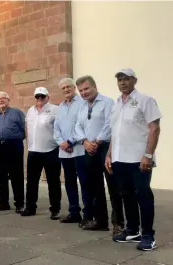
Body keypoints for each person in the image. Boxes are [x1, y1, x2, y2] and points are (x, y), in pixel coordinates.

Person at [106, 68, 162, 251]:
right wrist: (109, 154)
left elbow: (154, 128)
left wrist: (148, 155)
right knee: (126, 194)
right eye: (119, 79)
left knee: (143, 195)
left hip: (139, 159)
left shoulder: (145, 100)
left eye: (126, 79)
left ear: (134, 80)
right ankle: (132, 230)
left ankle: (148, 235)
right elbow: (115, 132)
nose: (122, 82)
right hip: (119, 159)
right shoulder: (116, 104)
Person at [75, 75, 124, 233]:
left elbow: (111, 124)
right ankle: (101, 221)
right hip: (89, 149)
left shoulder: (107, 102)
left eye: (86, 89)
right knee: (95, 186)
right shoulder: (82, 106)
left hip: (105, 148)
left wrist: (97, 141)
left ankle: (118, 222)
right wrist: (84, 141)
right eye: (81, 90)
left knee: (113, 186)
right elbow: (77, 126)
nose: (84, 92)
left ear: (95, 86)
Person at [22, 87, 61, 219]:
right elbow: (27, 127)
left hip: (51, 150)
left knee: (53, 181)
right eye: (37, 97)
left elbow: (60, 128)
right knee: (31, 181)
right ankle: (30, 207)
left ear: (47, 97)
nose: (40, 99)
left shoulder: (55, 110)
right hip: (34, 151)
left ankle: (55, 209)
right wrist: (29, 143)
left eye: (42, 96)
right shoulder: (30, 111)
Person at [54, 78, 87, 224]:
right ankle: (74, 211)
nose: (66, 90)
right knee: (69, 182)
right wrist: (61, 142)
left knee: (85, 182)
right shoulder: (60, 106)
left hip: (79, 149)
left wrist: (70, 141)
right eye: (63, 88)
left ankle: (88, 213)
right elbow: (56, 127)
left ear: (74, 88)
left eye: (68, 87)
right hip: (65, 151)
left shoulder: (82, 103)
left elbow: (82, 125)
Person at [0, 91, 25, 213]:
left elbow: (25, 130)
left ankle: (19, 204)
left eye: (3, 98)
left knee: (16, 176)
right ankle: (3, 202)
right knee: (0, 176)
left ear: (8, 100)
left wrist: (15, 139)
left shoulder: (17, 113)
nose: (1, 100)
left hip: (13, 146)